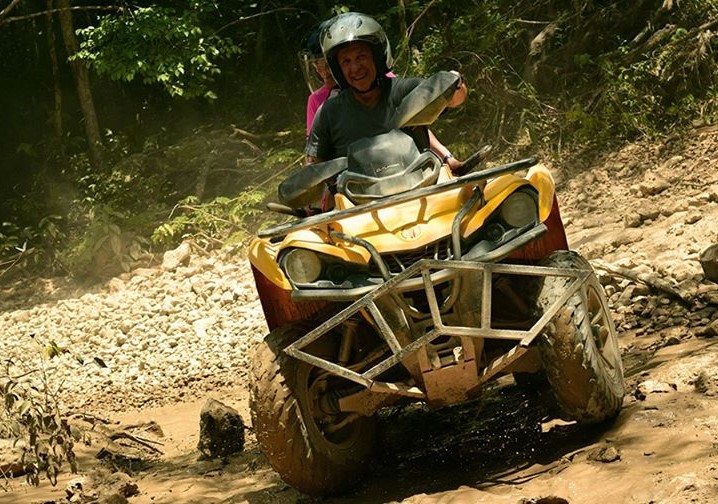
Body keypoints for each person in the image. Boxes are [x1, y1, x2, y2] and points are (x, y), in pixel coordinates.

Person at [305, 12, 467, 174]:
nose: (355, 68)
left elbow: (455, 99)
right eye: (346, 61)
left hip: (421, 183)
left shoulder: (405, 90)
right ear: (338, 69)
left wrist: (455, 83)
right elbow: (313, 167)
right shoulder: (328, 113)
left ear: (377, 57)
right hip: (356, 190)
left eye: (361, 57)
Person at [299, 21, 338, 138]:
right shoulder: (316, 99)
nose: (324, 72)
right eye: (317, 64)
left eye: (327, 64)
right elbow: (313, 144)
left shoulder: (370, 83)